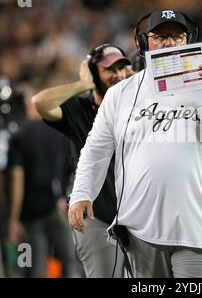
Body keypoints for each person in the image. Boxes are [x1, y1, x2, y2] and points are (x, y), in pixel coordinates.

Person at [68, 9, 202, 278]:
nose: (169, 43)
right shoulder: (121, 93)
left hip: (198, 227)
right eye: (160, 37)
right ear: (144, 43)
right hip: (142, 227)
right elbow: (96, 149)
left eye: (177, 37)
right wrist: (82, 192)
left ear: (188, 41)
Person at [32, 44, 134, 278]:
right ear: (92, 73)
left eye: (122, 68)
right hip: (96, 216)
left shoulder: (135, 104)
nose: (118, 75)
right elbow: (40, 103)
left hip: (139, 214)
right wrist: (83, 84)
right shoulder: (78, 109)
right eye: (109, 69)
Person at [7, 87, 81, 278]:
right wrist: (66, 199)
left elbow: (16, 178)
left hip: (30, 213)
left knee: (34, 266)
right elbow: (74, 166)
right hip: (58, 208)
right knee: (70, 262)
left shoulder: (19, 135)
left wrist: (14, 218)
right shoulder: (59, 129)